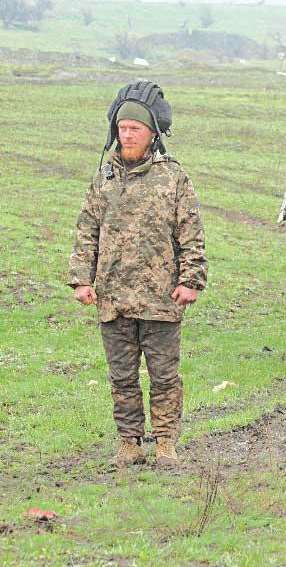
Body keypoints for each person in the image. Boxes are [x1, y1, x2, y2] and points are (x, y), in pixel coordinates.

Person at [68, 81, 207, 468]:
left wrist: (190, 280)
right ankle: (129, 441)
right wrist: (81, 279)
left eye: (135, 129)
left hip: (161, 298)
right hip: (113, 298)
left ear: (151, 134)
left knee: (164, 376)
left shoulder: (174, 178)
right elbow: (86, 229)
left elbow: (191, 233)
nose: (126, 135)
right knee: (122, 377)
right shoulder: (103, 177)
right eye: (122, 128)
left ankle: (165, 443)